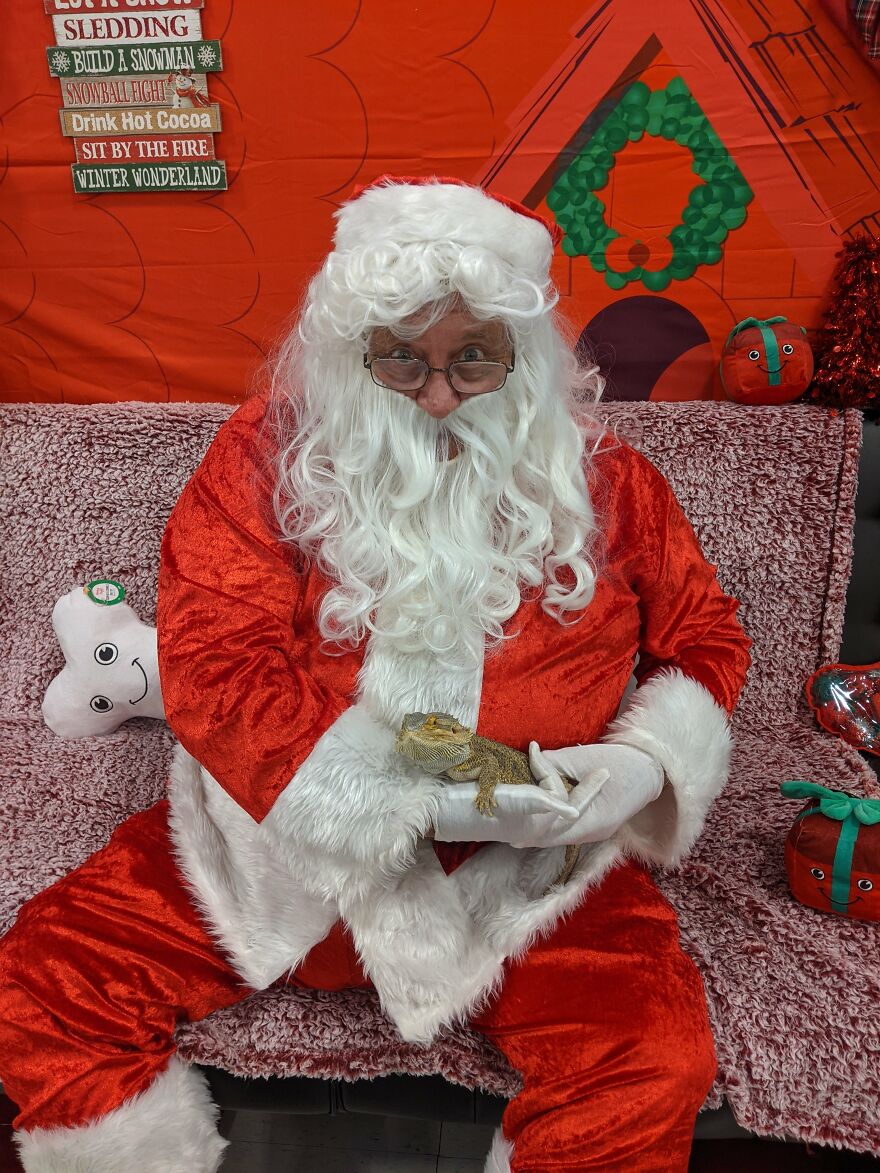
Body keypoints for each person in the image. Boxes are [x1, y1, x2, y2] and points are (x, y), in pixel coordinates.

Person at [0, 176, 751, 1172]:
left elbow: (705, 635)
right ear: (353, 355)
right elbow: (214, 662)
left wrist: (641, 769)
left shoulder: (611, 485)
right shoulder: (263, 459)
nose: (438, 394)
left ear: (521, 357)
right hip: (277, 845)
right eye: (403, 360)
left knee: (650, 1058)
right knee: (39, 990)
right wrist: (401, 806)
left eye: (472, 360)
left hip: (530, 867)